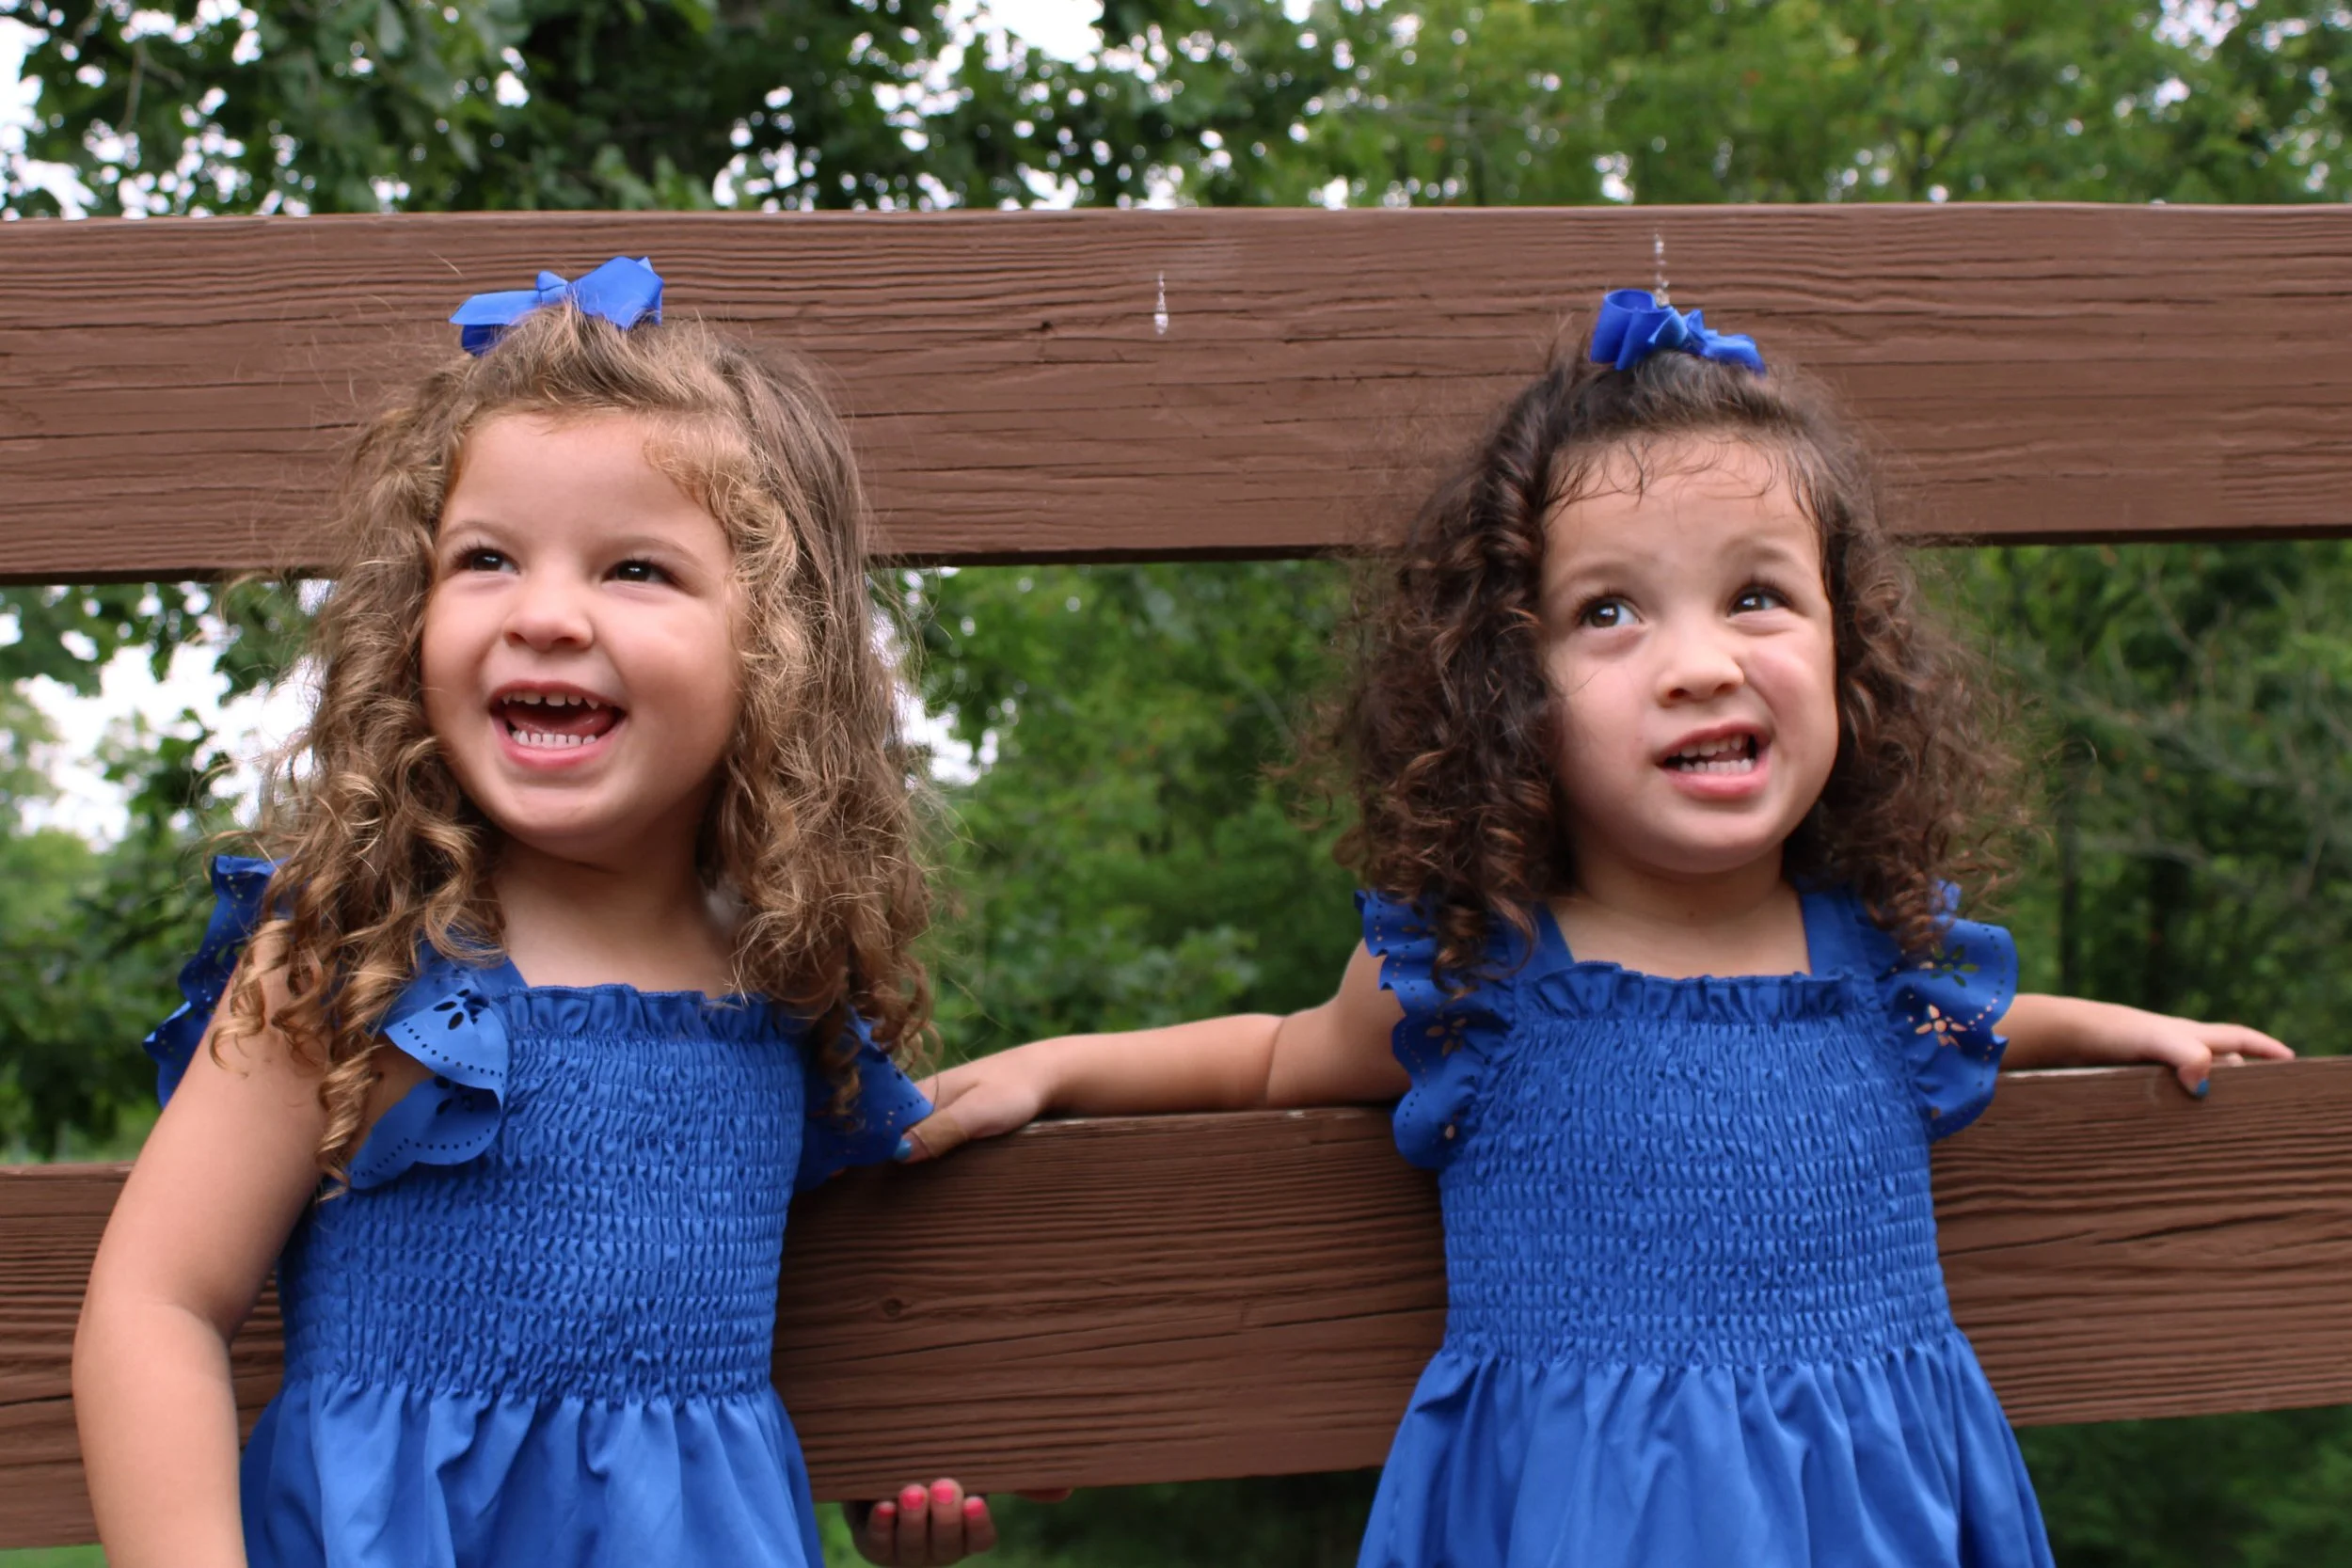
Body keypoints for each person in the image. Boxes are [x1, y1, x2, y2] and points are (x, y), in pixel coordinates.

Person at [895, 291, 2295, 1566]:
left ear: (1849, 648)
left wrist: (2121, 1026)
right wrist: (1060, 1068)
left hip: (1873, 1512)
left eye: (1758, 596)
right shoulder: (1482, 975)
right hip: (1579, 1517)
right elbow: (1273, 1057)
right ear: (1510, 688)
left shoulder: (1886, 964)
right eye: (1609, 611)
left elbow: (1974, 1030)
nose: (1700, 664)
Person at [75, 259, 1014, 1568]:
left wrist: (880, 1467)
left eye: (634, 567)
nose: (546, 615)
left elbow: (809, 1303)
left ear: (777, 645)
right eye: (485, 559)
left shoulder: (783, 975)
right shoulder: (362, 957)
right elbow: (156, 1303)